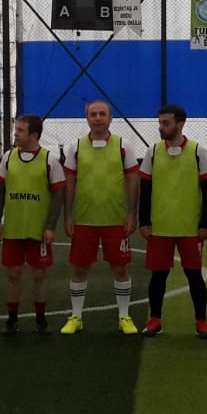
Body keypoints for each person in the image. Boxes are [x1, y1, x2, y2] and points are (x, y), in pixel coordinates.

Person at [59, 100, 140, 335]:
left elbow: (133, 180)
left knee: (120, 268)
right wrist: (68, 215)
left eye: (102, 114)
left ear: (110, 118)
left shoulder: (124, 146)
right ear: (86, 118)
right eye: (93, 114)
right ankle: (76, 317)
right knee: (79, 269)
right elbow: (69, 182)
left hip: (116, 220)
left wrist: (132, 214)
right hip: (84, 221)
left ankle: (124, 316)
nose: (97, 118)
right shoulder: (75, 147)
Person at [137, 104, 207, 339]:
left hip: (190, 228)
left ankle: (201, 322)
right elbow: (145, 189)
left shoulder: (198, 151)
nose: (161, 127)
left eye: (166, 123)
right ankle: (155, 320)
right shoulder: (152, 152)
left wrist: (206, 223)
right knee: (158, 276)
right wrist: (144, 221)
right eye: (160, 123)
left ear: (180, 124)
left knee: (194, 275)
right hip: (160, 227)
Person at [0, 114, 66, 335]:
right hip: (13, 229)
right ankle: (12, 319)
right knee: (13, 274)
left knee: (39, 275)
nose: (15, 134)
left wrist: (50, 226)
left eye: (20, 131)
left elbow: (58, 196)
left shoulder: (49, 160)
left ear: (34, 135)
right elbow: (0, 191)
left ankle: (41, 319)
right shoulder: (8, 157)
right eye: (16, 130)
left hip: (38, 230)